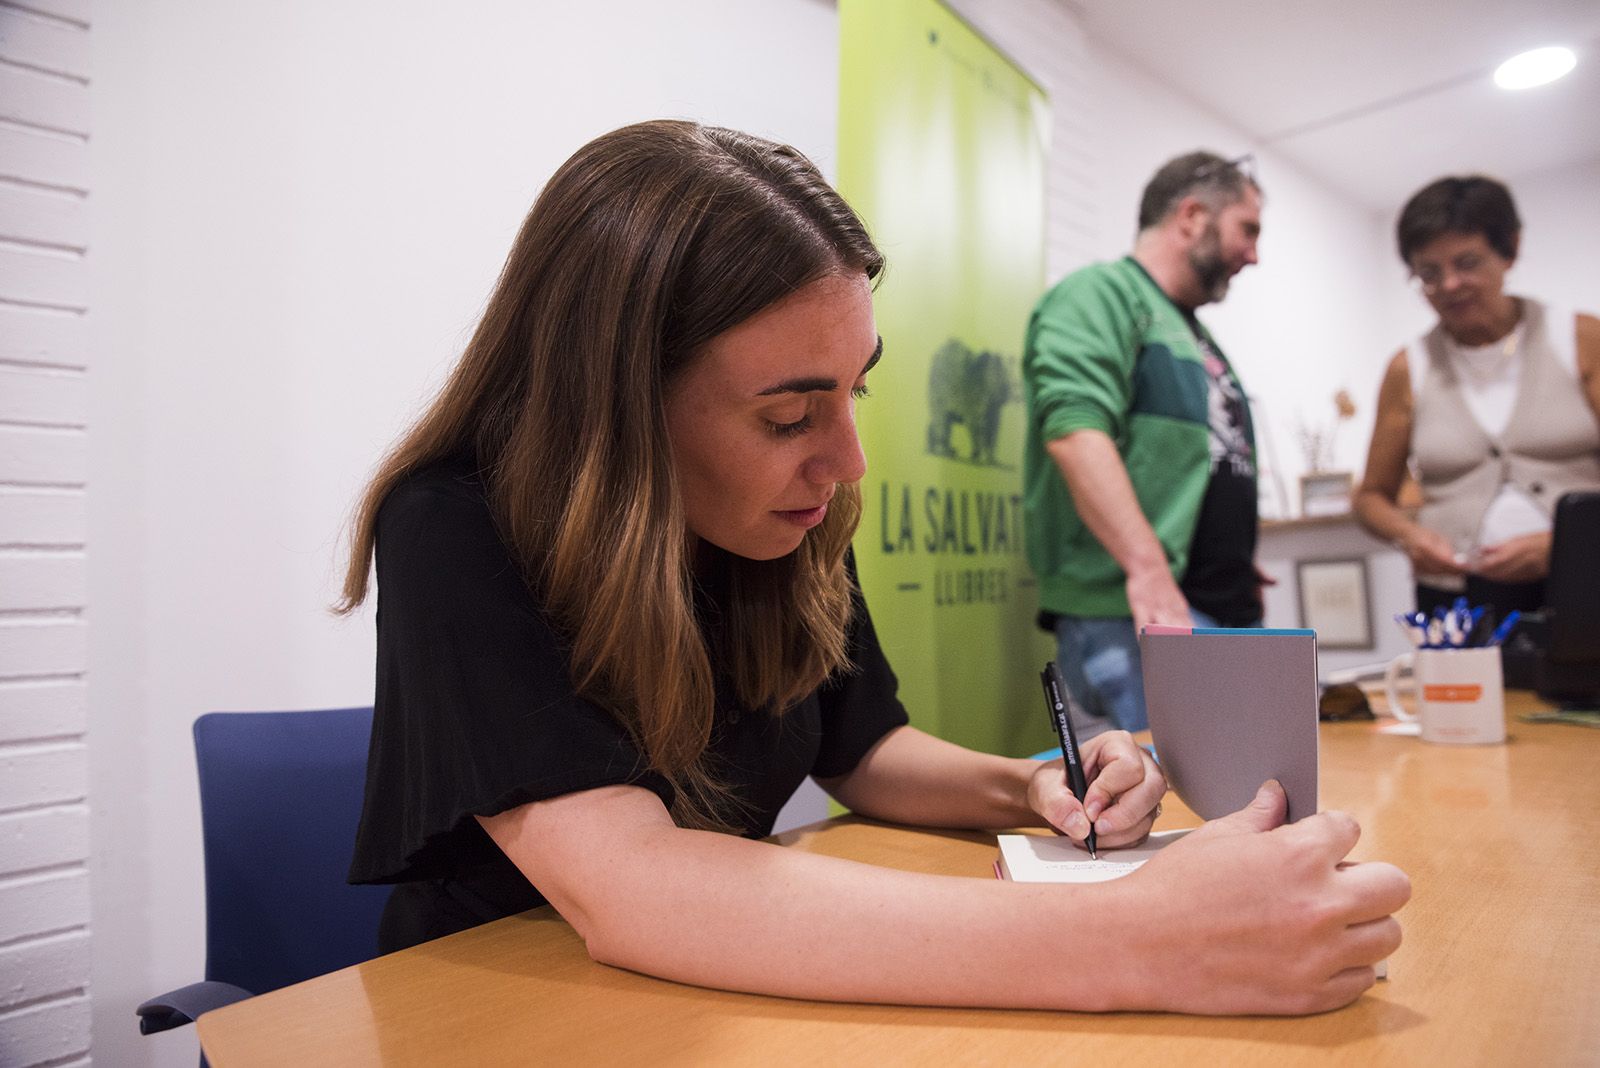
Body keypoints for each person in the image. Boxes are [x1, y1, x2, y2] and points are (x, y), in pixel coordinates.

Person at [340, 121, 1406, 1015]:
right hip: (503, 1005)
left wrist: (1034, 785)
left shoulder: (789, 515)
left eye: (856, 393)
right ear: (616, 398)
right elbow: (636, 892)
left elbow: (865, 748)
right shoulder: (455, 520)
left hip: (713, 1000)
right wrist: (1141, 936)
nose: (845, 461)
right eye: (791, 412)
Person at [1022, 152, 1268, 738]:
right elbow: (1075, 431)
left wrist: (1229, 548)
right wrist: (1147, 566)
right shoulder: (1099, 296)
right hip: (1140, 617)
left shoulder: (1188, 329)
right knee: (1182, 819)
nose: (1254, 254)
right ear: (1191, 216)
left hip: (1209, 611)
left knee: (1240, 804)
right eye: (1247, 229)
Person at [1354, 175, 1600, 620]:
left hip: (1585, 587)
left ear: (1510, 250)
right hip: (1455, 601)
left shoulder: (1580, 338)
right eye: (1429, 274)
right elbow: (1371, 496)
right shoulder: (1408, 368)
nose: (1449, 285)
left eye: (1467, 262)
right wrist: (1410, 537)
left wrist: (1565, 545)